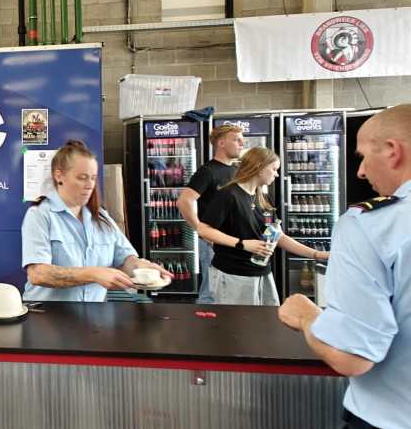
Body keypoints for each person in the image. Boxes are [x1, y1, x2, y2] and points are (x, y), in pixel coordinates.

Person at [279, 104, 411, 429]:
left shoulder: (373, 224)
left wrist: (305, 315)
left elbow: (352, 355)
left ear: (392, 150)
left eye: (362, 155)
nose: (359, 171)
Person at [22, 140, 170, 302]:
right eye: (82, 178)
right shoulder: (39, 215)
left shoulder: (101, 217)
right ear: (59, 176)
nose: (89, 185)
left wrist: (143, 268)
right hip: (48, 312)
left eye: (93, 178)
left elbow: (125, 260)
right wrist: (93, 274)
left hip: (93, 312)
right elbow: (38, 274)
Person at [197, 146, 327, 306]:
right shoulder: (228, 195)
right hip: (233, 274)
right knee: (238, 321)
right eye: (274, 169)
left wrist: (316, 254)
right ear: (259, 168)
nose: (277, 174)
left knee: (267, 318)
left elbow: (278, 235)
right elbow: (204, 230)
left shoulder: (264, 198)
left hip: (263, 273)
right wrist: (242, 244)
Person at [177, 124, 245, 303]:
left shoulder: (236, 171)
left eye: (242, 140)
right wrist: (203, 231)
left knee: (226, 290)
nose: (242, 144)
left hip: (232, 241)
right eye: (236, 140)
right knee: (211, 291)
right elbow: (184, 201)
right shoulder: (208, 171)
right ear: (221, 143)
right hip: (213, 242)